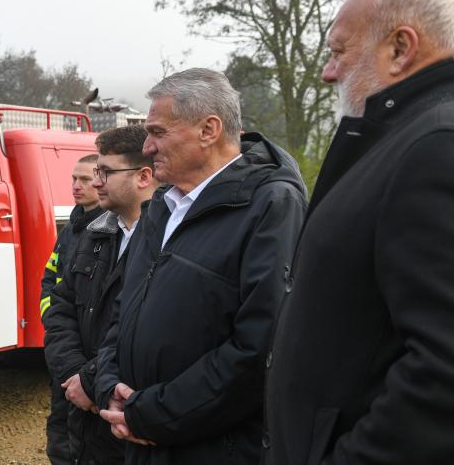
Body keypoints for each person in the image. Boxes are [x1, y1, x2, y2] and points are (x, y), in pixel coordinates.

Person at [265, 0, 454, 465]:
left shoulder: (442, 145)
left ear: (399, 49)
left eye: (339, 51)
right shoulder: (413, 136)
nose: (328, 72)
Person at [94, 68, 307, 465]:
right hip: (140, 438)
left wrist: (153, 413)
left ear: (209, 130)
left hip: (215, 449)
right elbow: (122, 313)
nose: (148, 146)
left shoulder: (271, 206)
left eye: (157, 132)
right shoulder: (159, 208)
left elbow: (261, 346)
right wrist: (108, 387)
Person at [44, 125, 158, 464]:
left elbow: (146, 332)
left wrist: (93, 383)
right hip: (83, 415)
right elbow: (60, 305)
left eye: (105, 173)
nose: (94, 183)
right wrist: (74, 374)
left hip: (122, 415)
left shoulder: (165, 243)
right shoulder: (95, 236)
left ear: (143, 176)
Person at [41, 153, 103, 465]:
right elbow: (50, 280)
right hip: (65, 353)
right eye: (73, 179)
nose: (76, 186)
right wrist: (52, 321)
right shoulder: (71, 228)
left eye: (84, 179)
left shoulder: (110, 227)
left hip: (95, 358)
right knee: (61, 430)